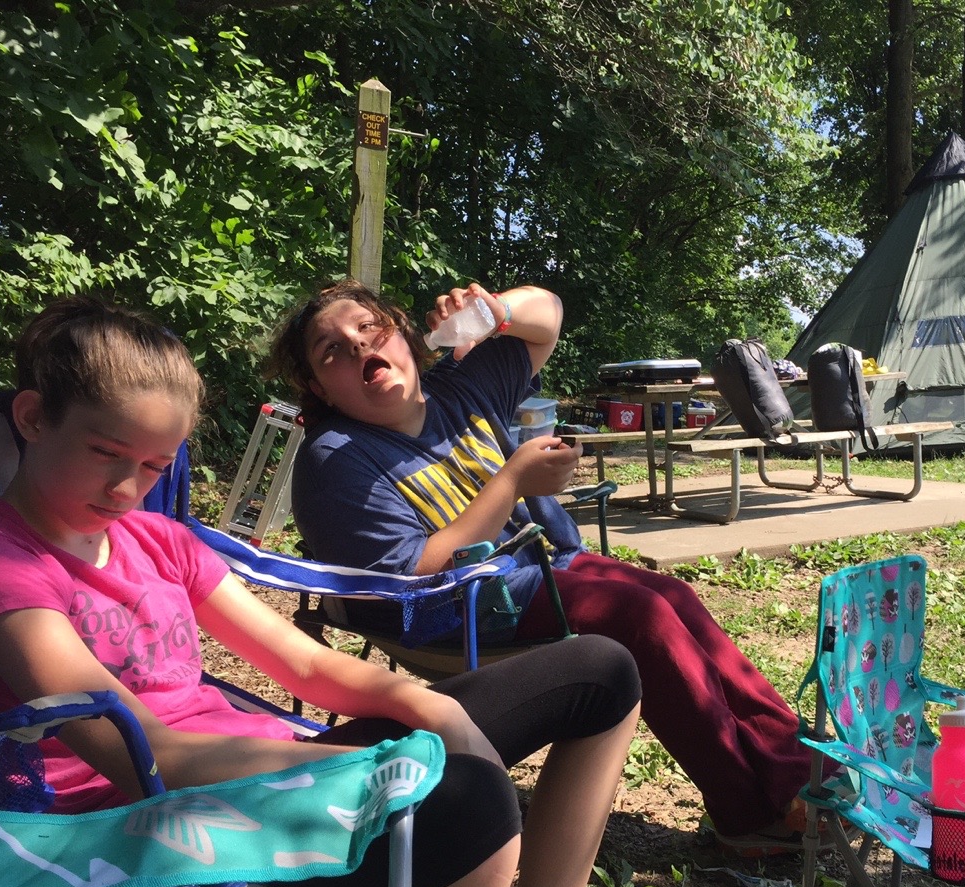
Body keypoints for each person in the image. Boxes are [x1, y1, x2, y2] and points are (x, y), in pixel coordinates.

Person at [0, 296, 642, 887]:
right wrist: (382, 770)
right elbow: (149, 753)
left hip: (260, 775)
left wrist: (432, 710)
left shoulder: (158, 540)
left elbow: (305, 665)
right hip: (150, 821)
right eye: (106, 452)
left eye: (154, 465)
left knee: (600, 671)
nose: (127, 488)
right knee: (464, 798)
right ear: (32, 418)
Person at [268, 278, 818, 855]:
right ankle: (746, 811)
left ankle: (800, 770)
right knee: (639, 616)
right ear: (319, 389)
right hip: (453, 610)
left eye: (368, 328)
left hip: (538, 569)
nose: (358, 345)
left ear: (405, 333)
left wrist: (496, 311)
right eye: (331, 351)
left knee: (672, 596)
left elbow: (548, 317)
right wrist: (511, 483)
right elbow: (412, 577)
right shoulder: (336, 458)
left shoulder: (458, 387)